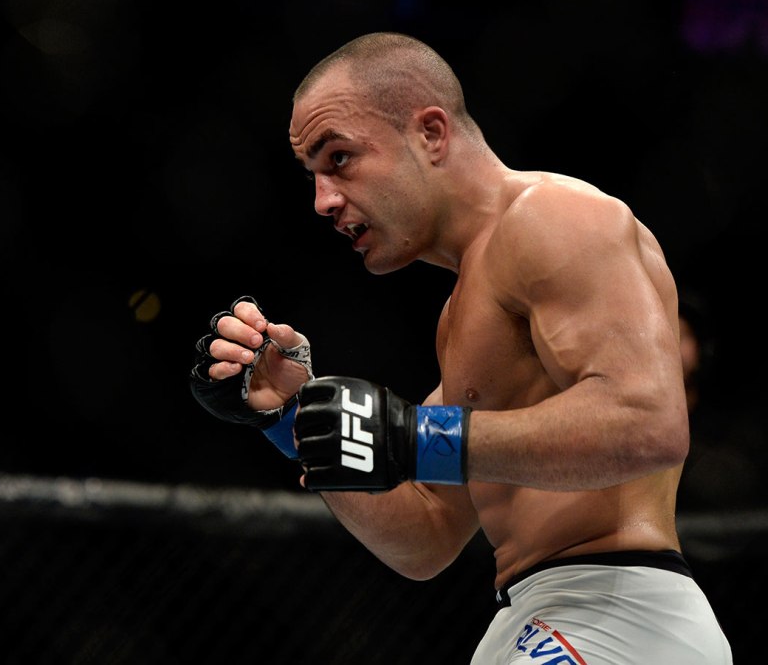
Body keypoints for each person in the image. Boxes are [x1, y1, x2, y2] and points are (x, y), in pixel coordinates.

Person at [189, 32, 732, 663]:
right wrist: (294, 417)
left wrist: (412, 436)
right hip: (535, 614)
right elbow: (426, 538)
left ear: (431, 133)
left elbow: (649, 425)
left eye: (338, 159)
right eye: (312, 175)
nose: (323, 201)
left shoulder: (555, 215)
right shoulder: (462, 315)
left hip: (618, 612)